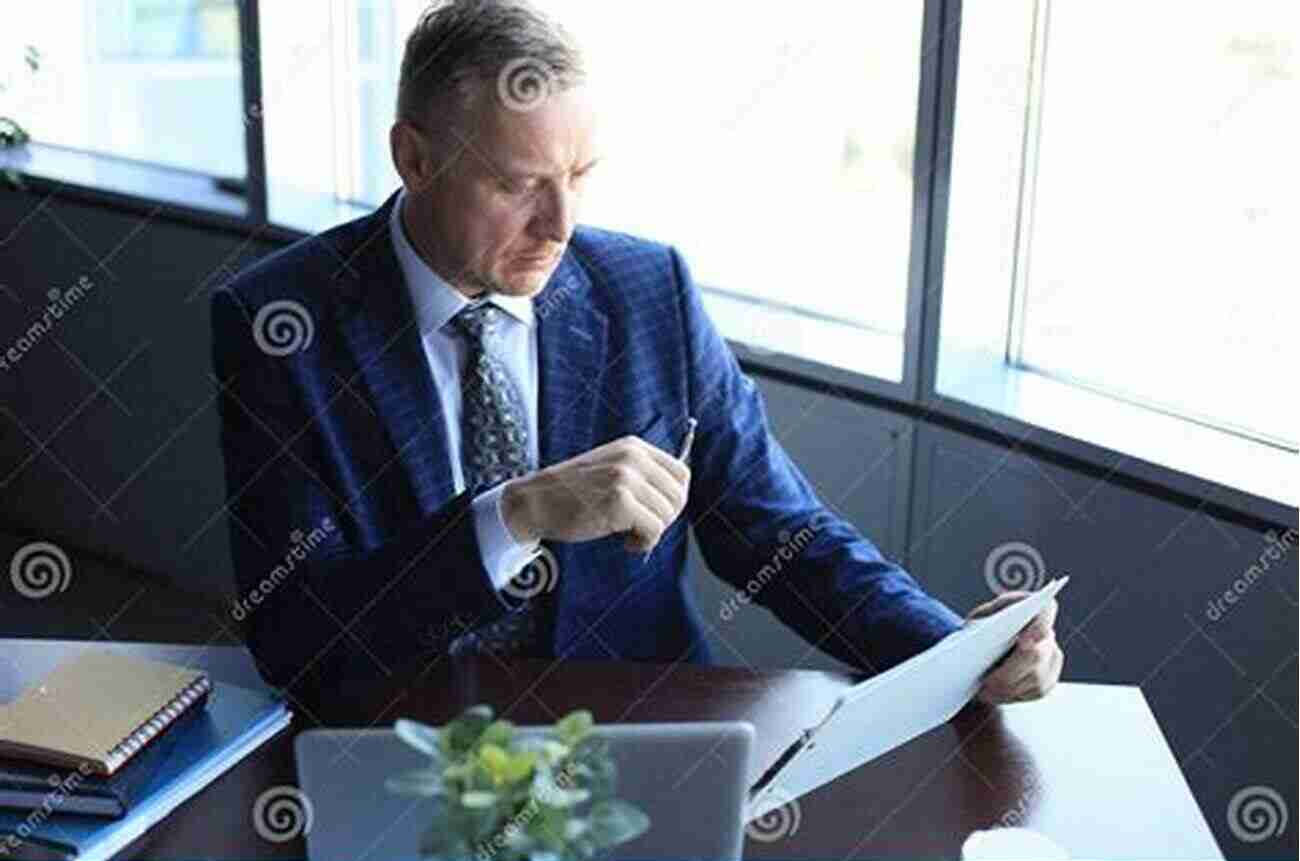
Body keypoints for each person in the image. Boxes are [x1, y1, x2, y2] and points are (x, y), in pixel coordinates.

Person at [212, 0, 1062, 704]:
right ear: (414, 159)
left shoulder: (648, 287)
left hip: (640, 733)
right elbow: (297, 637)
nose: (560, 226)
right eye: (516, 185)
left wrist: (956, 652)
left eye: (578, 176)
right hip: (402, 749)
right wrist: (515, 515)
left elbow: (779, 533)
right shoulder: (280, 322)